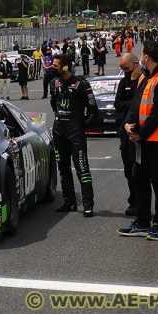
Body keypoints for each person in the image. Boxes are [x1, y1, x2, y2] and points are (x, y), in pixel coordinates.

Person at [118, 40, 158, 241]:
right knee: (139, 179)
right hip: (142, 140)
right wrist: (129, 126)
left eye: (141, 54)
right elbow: (136, 105)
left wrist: (140, 134)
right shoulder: (148, 78)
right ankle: (142, 221)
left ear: (146, 57)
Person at [48, 54, 97, 216]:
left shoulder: (82, 84)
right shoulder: (53, 83)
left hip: (76, 133)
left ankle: (88, 204)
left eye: (55, 66)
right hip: (58, 131)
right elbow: (54, 104)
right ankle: (69, 202)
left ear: (65, 67)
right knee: (62, 167)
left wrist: (82, 125)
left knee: (82, 168)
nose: (52, 68)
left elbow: (93, 110)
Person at [114, 53, 141, 216]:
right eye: (122, 69)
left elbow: (142, 102)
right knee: (129, 170)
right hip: (126, 131)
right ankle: (134, 202)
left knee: (143, 172)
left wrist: (134, 83)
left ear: (136, 64)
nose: (125, 72)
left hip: (144, 132)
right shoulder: (124, 82)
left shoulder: (145, 80)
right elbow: (118, 104)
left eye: (127, 69)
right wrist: (133, 104)